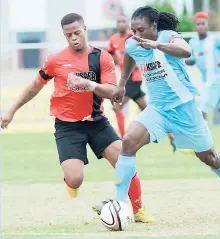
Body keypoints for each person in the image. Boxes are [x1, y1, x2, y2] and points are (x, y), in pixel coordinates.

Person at [0, 13, 152, 223]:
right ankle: (70, 182)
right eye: (68, 35)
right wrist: (11, 110)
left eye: (77, 33)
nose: (73, 38)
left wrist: (90, 85)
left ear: (85, 29)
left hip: (97, 123)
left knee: (124, 160)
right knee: (75, 179)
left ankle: (138, 210)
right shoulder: (55, 60)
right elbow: (35, 86)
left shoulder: (102, 57)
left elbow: (112, 91)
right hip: (67, 127)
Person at [110, 6, 220, 216]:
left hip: (185, 110)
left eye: (141, 29)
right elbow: (129, 56)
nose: (137, 35)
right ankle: (119, 204)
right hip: (158, 111)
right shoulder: (133, 43)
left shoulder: (168, 36)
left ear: (154, 25)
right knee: (128, 141)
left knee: (211, 158)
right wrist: (122, 83)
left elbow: (186, 51)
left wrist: (157, 45)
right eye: (134, 30)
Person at [109, 15, 176, 151]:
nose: (121, 24)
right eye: (119, 21)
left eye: (123, 21)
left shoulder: (133, 37)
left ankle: (122, 140)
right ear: (116, 24)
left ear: (127, 23)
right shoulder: (113, 40)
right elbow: (114, 57)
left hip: (134, 79)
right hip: (127, 80)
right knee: (146, 109)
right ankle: (171, 135)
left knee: (117, 107)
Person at [185, 11, 220, 120]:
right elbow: (192, 60)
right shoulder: (193, 42)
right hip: (206, 81)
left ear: (207, 25)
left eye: (203, 23)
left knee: (201, 110)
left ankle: (201, 137)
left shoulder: (215, 39)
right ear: (195, 26)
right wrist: (181, 60)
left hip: (216, 80)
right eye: (198, 24)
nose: (200, 26)